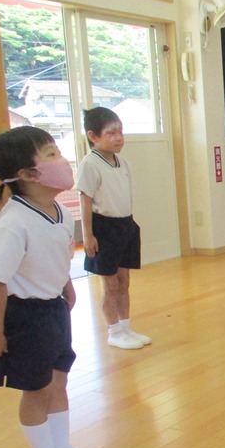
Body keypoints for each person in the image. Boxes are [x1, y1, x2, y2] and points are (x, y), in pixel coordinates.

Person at [0, 126, 108, 448]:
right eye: (51, 154)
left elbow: (57, 255)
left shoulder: (60, 213)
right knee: (36, 388)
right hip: (22, 316)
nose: (62, 160)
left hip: (52, 309)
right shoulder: (12, 223)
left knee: (58, 380)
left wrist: (66, 287)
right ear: (27, 174)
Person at [77, 107, 151, 350]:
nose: (119, 138)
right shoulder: (90, 164)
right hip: (104, 228)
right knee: (110, 284)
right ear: (93, 136)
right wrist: (88, 235)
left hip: (125, 224)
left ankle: (126, 326)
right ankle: (113, 331)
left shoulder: (123, 163)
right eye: (111, 133)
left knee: (124, 280)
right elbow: (85, 200)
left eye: (120, 132)